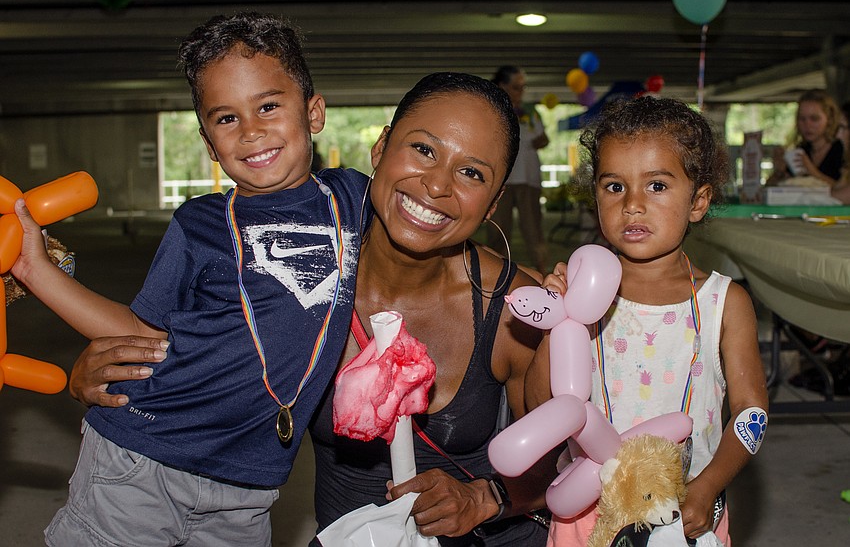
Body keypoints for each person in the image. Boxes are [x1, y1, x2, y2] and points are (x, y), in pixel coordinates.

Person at [43, 72, 559, 546]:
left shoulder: (514, 309)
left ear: (492, 204)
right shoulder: (298, 276)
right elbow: (203, 345)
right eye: (423, 149)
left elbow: (563, 461)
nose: (438, 185)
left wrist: (482, 497)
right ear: (381, 148)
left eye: (471, 172)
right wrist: (119, 374)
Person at [12, 12, 370, 546]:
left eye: (269, 106)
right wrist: (34, 270)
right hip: (141, 456)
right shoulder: (198, 223)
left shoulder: (353, 198)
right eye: (226, 119)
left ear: (313, 112)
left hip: (250, 485)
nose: (251, 131)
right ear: (207, 142)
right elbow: (139, 333)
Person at [536, 97, 769, 546]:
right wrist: (559, 323)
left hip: (684, 511)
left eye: (657, 185)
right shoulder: (580, 298)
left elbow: (752, 412)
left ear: (698, 201)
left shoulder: (725, 302)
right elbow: (538, 407)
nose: (633, 204)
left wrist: (709, 484)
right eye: (614, 187)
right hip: (587, 511)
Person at [488, 65, 549, 275]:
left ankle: (542, 274)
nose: (521, 91)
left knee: (533, 230)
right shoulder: (491, 109)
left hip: (528, 178)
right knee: (498, 230)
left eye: (523, 87)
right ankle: (496, 276)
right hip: (500, 179)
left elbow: (544, 139)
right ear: (502, 86)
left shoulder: (531, 112)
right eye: (516, 87)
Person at [766, 89, 845, 185]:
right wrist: (779, 172)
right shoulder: (801, 151)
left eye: (814, 119)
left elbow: (844, 191)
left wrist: (812, 172)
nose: (807, 125)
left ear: (829, 119)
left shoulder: (842, 150)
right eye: (802, 119)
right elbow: (766, 191)